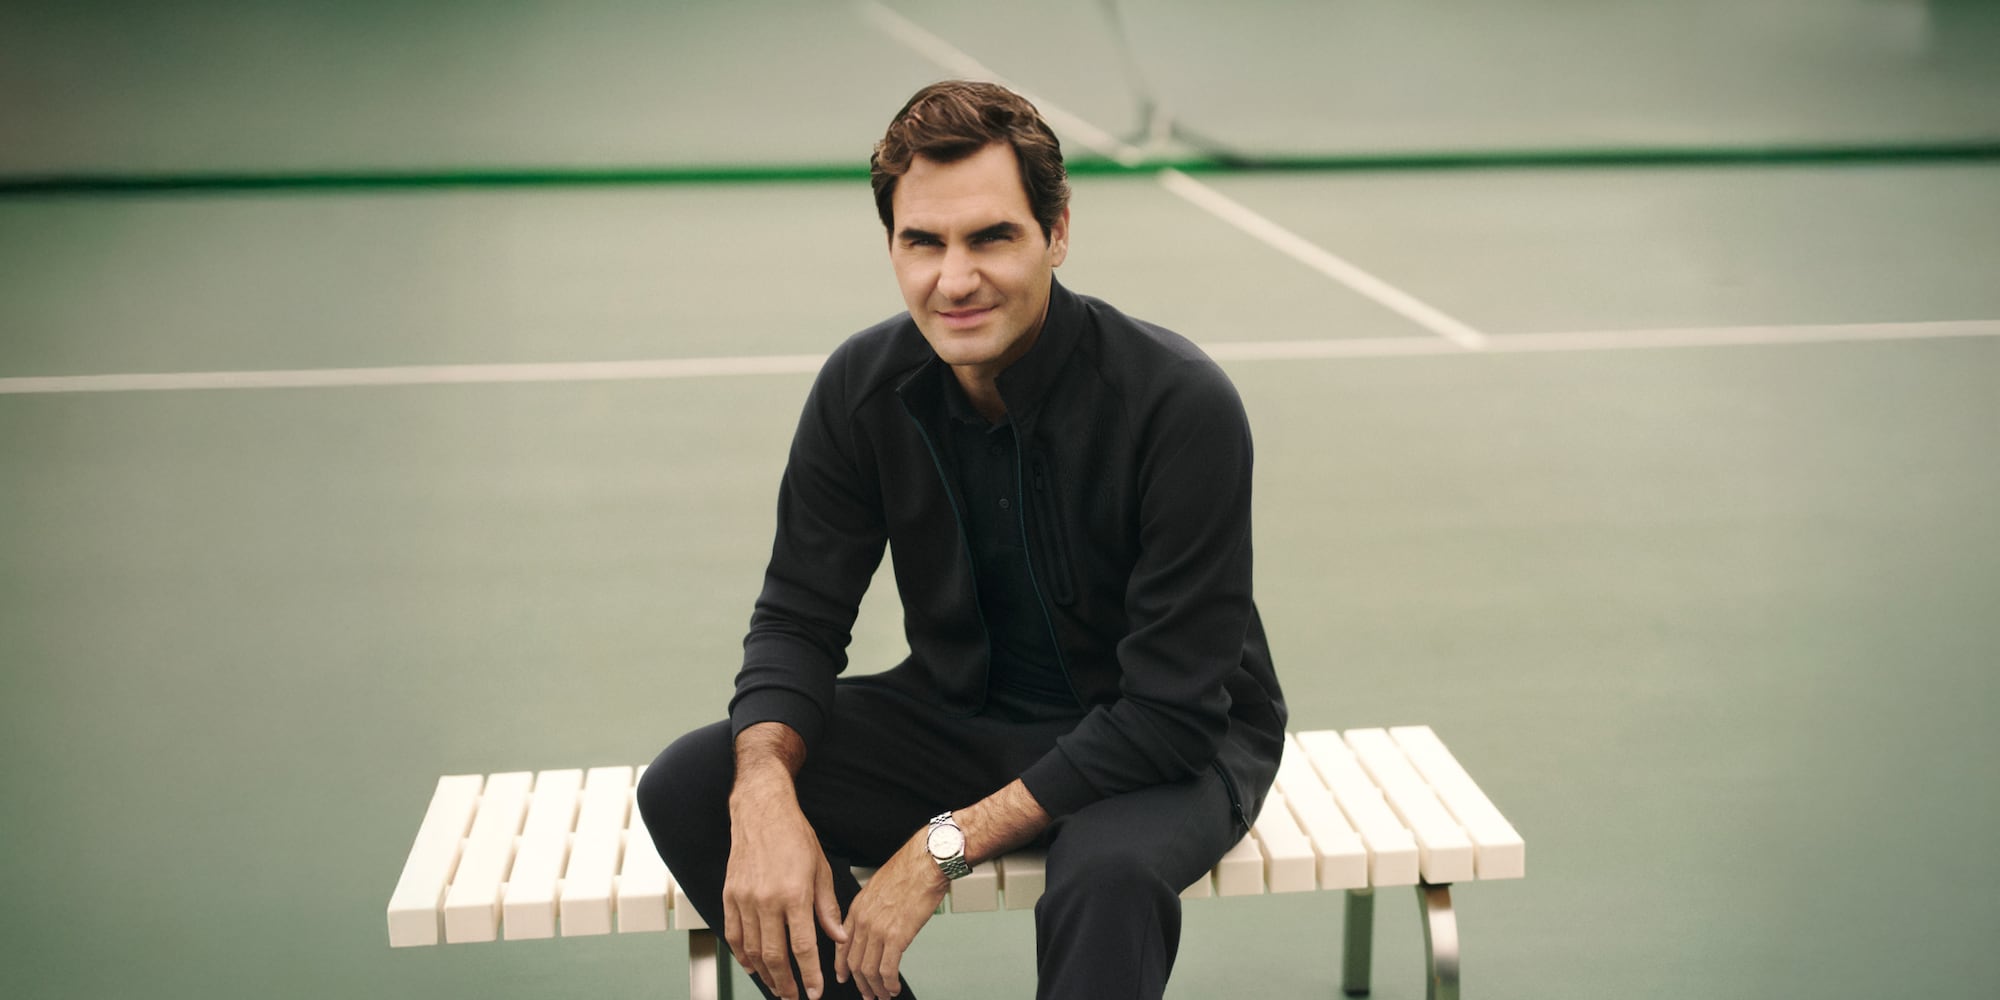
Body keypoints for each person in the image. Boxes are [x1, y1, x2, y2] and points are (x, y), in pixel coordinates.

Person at [638, 79, 1286, 1000]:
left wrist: (939, 849)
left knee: (1105, 879)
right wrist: (764, 787)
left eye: (991, 237)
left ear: (1058, 231)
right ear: (892, 247)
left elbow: (1173, 712)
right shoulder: (862, 387)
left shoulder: (1179, 403)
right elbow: (798, 615)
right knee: (693, 784)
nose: (955, 280)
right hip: (961, 716)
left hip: (1165, 742)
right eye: (923, 243)